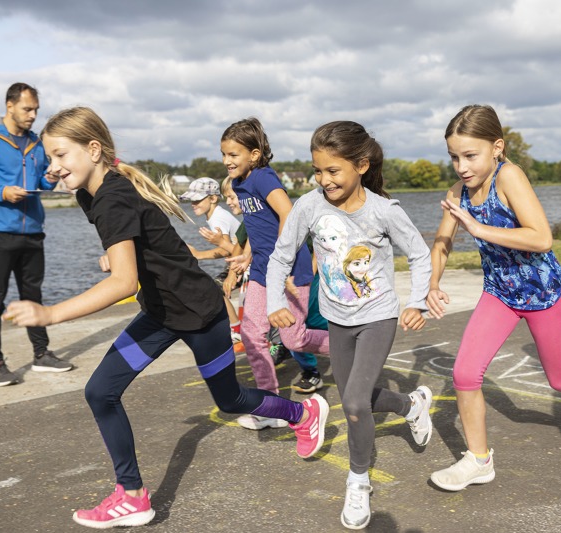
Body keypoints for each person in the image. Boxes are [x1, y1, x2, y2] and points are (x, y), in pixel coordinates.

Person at [2, 107, 329, 529]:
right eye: (50, 159)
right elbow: (133, 247)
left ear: (94, 150)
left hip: (198, 314)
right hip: (161, 313)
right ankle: (133, 496)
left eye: (62, 155)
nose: (55, 167)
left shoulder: (113, 195)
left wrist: (50, 313)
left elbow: (123, 282)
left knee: (229, 400)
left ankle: (304, 415)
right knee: (101, 392)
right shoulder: (93, 193)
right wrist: (117, 251)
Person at [426, 105, 561, 492]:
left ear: (496, 147)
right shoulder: (458, 192)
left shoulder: (510, 177)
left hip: (542, 292)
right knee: (465, 374)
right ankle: (479, 461)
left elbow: (541, 237)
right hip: (499, 293)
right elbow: (442, 242)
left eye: (470, 155)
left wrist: (478, 228)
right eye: (454, 157)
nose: (461, 166)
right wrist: (432, 283)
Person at [266, 120, 433, 530]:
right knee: (357, 398)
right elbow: (279, 257)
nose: (324, 180)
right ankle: (412, 405)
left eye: (332, 171)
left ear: (361, 164)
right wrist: (273, 301)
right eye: (318, 170)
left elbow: (419, 254)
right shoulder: (309, 206)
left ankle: (358, 481)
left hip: (378, 316)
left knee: (355, 404)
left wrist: (418, 301)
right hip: (338, 319)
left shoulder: (383, 210)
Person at [0, 82, 73, 386]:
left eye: (36, 109)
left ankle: (42, 354)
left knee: (33, 296)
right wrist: (2, 192)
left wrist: (49, 177)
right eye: (27, 109)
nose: (33, 115)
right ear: (10, 106)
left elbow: (43, 184)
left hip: (33, 231)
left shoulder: (35, 142)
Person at [220, 117, 329, 430]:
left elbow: (288, 215)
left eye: (233, 154)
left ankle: (350, 342)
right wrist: (248, 256)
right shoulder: (240, 184)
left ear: (254, 154)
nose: (227, 161)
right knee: (252, 336)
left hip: (289, 271)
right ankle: (270, 406)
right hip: (261, 272)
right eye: (224, 154)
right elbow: (259, 227)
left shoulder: (264, 178)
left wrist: (282, 266)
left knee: (294, 339)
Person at [179, 176, 242, 344]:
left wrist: (198, 254)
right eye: (191, 200)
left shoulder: (217, 218)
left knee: (214, 290)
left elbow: (225, 248)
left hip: (242, 264)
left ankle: (236, 330)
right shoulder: (216, 215)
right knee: (215, 289)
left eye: (197, 200)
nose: (193, 204)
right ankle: (235, 328)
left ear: (213, 199)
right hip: (236, 262)